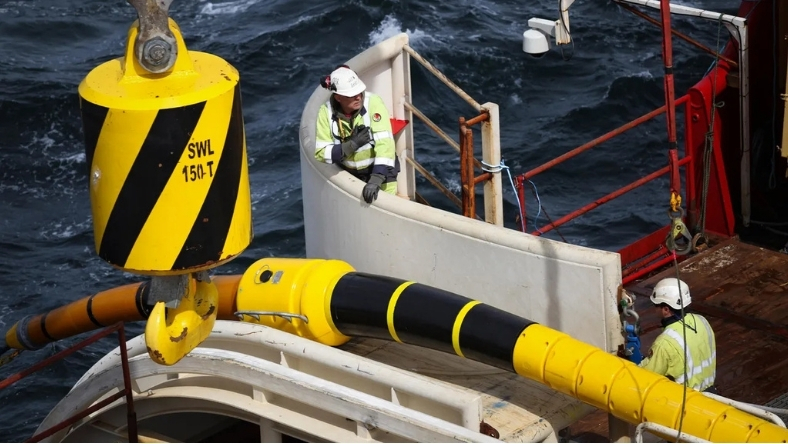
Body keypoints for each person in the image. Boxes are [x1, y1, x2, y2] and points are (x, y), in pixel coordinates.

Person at [315, 65, 399, 203]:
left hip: (382, 173)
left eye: (359, 92)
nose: (358, 97)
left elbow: (386, 145)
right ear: (338, 97)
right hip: (351, 176)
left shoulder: (373, 103)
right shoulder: (325, 112)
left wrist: (376, 179)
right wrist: (351, 145)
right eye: (352, 95)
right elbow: (321, 153)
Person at [639, 278, 717, 393]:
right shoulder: (702, 321)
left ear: (666, 309)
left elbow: (645, 376)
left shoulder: (665, 343)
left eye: (656, 305)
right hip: (711, 394)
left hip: (688, 402)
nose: (654, 308)